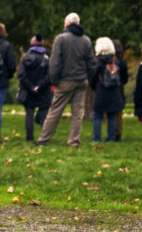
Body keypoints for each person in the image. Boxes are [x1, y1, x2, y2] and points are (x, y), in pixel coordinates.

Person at [36, 13, 97, 147]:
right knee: (77, 113)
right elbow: (92, 62)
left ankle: (43, 139)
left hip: (65, 80)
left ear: (66, 24)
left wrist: (54, 79)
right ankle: (73, 141)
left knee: (55, 111)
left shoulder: (61, 39)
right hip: (81, 81)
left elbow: (55, 62)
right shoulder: (86, 40)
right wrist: (89, 78)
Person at [17, 34, 52, 143]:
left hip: (28, 91)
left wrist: (30, 86)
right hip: (44, 90)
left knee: (29, 113)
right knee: (44, 113)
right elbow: (50, 75)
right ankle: (44, 137)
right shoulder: (47, 58)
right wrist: (40, 86)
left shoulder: (25, 57)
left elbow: (21, 74)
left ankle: (29, 137)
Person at [90, 37, 125, 143]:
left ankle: (97, 138)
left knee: (97, 115)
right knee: (112, 115)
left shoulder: (98, 62)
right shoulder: (116, 61)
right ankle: (110, 138)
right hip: (114, 91)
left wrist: (94, 87)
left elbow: (93, 78)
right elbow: (123, 77)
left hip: (101, 92)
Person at [111, 39, 129, 141]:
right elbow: (125, 78)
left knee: (109, 113)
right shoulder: (122, 62)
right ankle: (118, 133)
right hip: (119, 89)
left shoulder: (108, 62)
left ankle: (111, 132)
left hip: (110, 89)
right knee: (119, 113)